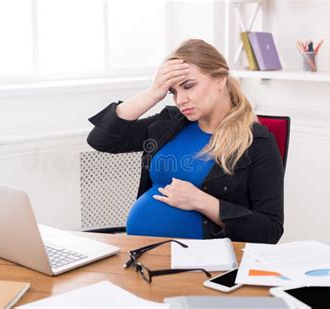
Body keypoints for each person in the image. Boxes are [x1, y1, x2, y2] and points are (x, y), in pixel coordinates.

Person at [87, 39, 284, 244]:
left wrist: (201, 201)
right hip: (139, 254)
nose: (180, 100)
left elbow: (270, 230)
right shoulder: (169, 124)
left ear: (220, 79)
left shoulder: (257, 142)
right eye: (173, 92)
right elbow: (100, 140)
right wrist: (153, 93)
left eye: (188, 86)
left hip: (201, 265)